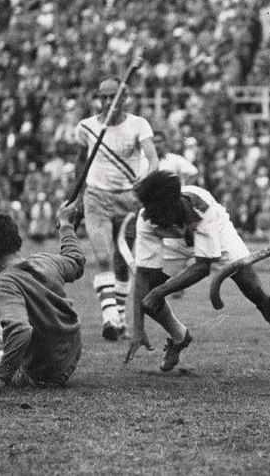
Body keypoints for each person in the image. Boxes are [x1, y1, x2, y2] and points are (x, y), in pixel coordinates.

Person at [124, 170, 270, 384]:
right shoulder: (148, 218)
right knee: (147, 294)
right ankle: (179, 335)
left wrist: (159, 291)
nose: (155, 221)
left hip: (218, 234)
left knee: (253, 288)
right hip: (175, 244)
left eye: (160, 217)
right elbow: (143, 276)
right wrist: (138, 328)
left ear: (173, 205)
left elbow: (202, 267)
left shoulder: (201, 206)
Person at [0, 199, 87, 394]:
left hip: (43, 373)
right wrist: (66, 226)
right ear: (17, 238)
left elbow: (21, 330)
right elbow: (76, 261)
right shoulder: (45, 261)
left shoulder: (1, 285)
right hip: (69, 353)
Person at [73, 78, 158, 341]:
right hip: (96, 198)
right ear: (98, 98)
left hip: (129, 201)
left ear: (125, 98)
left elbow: (153, 159)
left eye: (115, 97)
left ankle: (119, 319)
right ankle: (109, 317)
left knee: (122, 263)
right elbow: (80, 162)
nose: (109, 102)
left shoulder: (138, 125)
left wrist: (144, 182)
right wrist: (76, 197)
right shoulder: (87, 127)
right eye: (104, 97)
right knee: (102, 257)